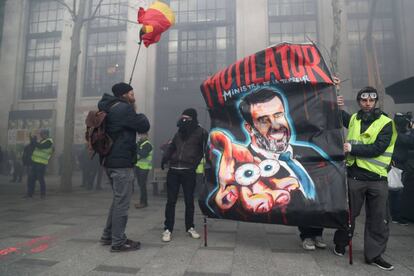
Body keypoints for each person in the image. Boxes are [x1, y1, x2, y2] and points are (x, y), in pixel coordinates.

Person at [209, 88, 330, 250]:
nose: (276, 125)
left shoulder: (310, 152)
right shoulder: (242, 167)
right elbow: (221, 199)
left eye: (279, 115)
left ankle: (317, 233)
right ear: (249, 128)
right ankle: (306, 235)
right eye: (264, 120)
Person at [333, 87, 396, 271]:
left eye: (371, 100)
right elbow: (337, 115)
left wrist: (352, 149)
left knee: (378, 219)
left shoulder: (386, 123)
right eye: (363, 100)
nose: (367, 103)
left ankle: (374, 255)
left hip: (378, 179)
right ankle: (340, 243)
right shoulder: (353, 119)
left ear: (375, 101)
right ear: (359, 101)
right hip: (355, 177)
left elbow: (378, 148)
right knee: (349, 214)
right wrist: (335, 97)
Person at [97, 82, 150, 252]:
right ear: (125, 94)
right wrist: (137, 113)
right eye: (132, 93)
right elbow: (143, 126)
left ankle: (107, 236)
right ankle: (118, 242)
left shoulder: (108, 107)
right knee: (122, 203)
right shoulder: (124, 109)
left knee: (118, 199)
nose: (134, 96)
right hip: (121, 163)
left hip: (109, 161)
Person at [160, 108, 208, 242]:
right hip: (174, 170)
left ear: (193, 119)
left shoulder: (201, 133)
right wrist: (165, 158)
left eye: (186, 118)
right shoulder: (179, 132)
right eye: (182, 118)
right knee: (171, 201)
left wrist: (200, 163)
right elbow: (172, 147)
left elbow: (206, 150)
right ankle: (168, 228)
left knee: (189, 201)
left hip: (188, 171)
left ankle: (190, 227)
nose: (183, 121)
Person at [390, 113, 414, 225]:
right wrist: (413, 130)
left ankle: (394, 214)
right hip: (398, 165)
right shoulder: (399, 135)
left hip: (396, 164)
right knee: (398, 191)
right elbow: (411, 142)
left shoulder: (394, 133)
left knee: (395, 191)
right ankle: (397, 216)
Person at [25, 129, 54, 199]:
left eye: (42, 134)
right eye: (41, 134)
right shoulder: (43, 141)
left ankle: (42, 194)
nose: (41, 135)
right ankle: (29, 194)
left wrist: (34, 141)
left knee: (40, 179)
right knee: (31, 179)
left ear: (46, 134)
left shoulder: (49, 141)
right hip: (35, 162)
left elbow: (40, 146)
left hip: (41, 164)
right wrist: (32, 139)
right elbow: (36, 146)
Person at [134, 132, 153, 209]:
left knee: (142, 185)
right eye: (140, 135)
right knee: (140, 185)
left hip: (144, 168)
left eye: (143, 135)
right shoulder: (139, 143)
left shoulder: (147, 144)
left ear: (147, 136)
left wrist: (137, 150)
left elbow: (143, 154)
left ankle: (144, 202)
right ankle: (142, 201)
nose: (141, 136)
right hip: (138, 166)